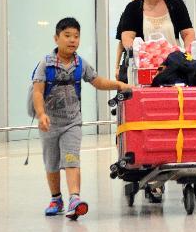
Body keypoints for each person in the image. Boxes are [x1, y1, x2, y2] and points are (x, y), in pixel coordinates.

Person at [33, 17, 129, 220]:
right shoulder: (46, 64)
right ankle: (56, 198)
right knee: (51, 164)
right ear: (56, 38)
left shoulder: (80, 64)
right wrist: (41, 114)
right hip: (49, 124)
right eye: (67, 36)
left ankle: (74, 198)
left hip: (72, 123)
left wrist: (118, 85)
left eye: (76, 36)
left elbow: (98, 81)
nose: (72, 40)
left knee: (71, 158)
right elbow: (38, 92)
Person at [114, 0, 142, 81]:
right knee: (125, 94)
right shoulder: (126, 14)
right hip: (128, 63)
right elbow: (121, 43)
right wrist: (117, 67)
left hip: (146, 62)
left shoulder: (150, 15)